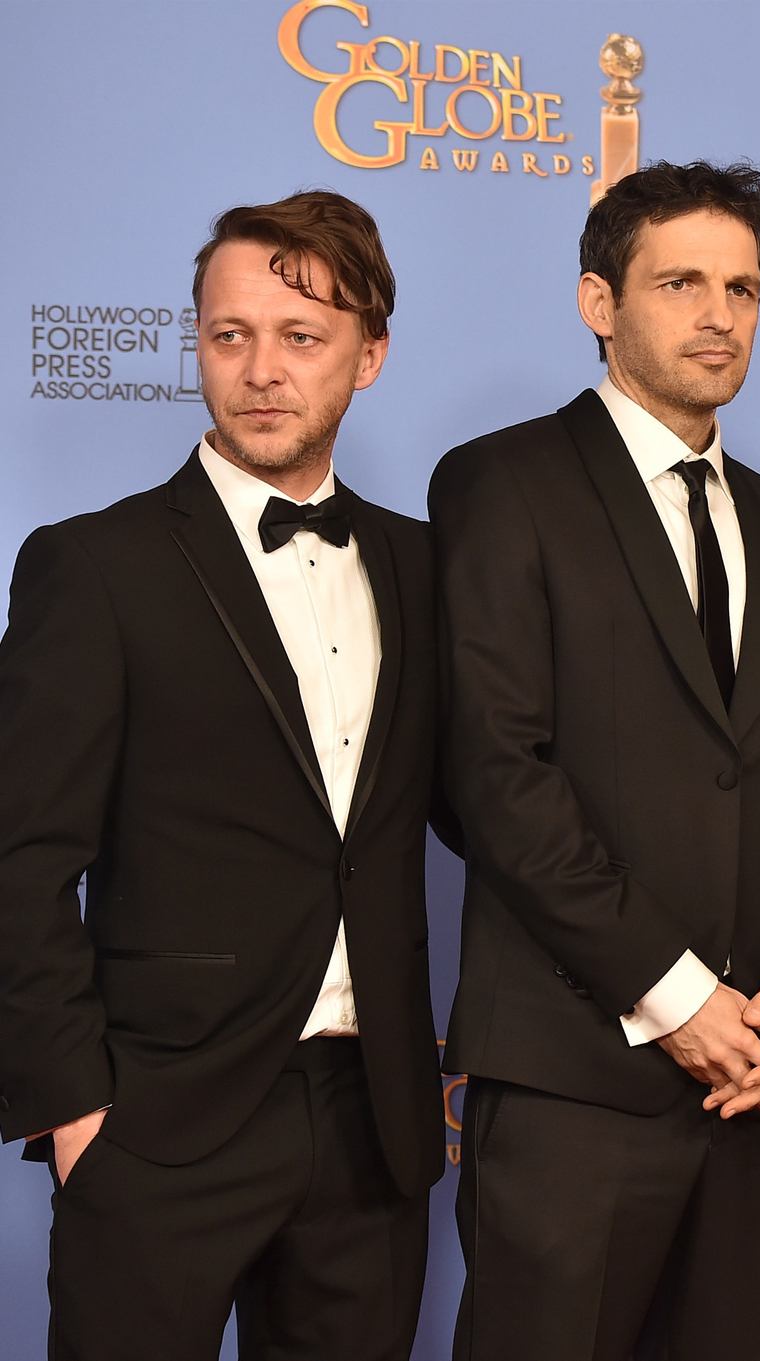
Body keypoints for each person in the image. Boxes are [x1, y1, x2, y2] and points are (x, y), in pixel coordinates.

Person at [0, 191, 447, 1359]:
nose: (260, 370)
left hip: (377, 1121)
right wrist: (75, 1108)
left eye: (302, 338)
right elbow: (22, 854)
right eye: (228, 334)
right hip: (159, 1117)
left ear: (371, 355)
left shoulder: (425, 563)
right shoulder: (92, 566)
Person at [430, 160, 760, 1360]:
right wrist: (676, 997)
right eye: (680, 282)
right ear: (597, 300)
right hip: (575, 1079)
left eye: (742, 286)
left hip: (753, 1088)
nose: (719, 314)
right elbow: (497, 776)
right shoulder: (500, 482)